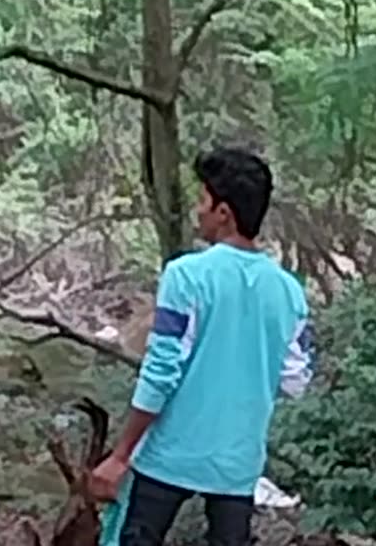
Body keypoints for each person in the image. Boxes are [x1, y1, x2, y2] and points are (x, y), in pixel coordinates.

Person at [90, 146, 314, 546]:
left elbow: (161, 372)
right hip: (237, 464)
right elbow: (296, 380)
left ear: (223, 212)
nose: (198, 210)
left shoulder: (185, 276)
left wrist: (121, 454)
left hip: (170, 455)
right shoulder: (289, 293)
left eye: (203, 199)